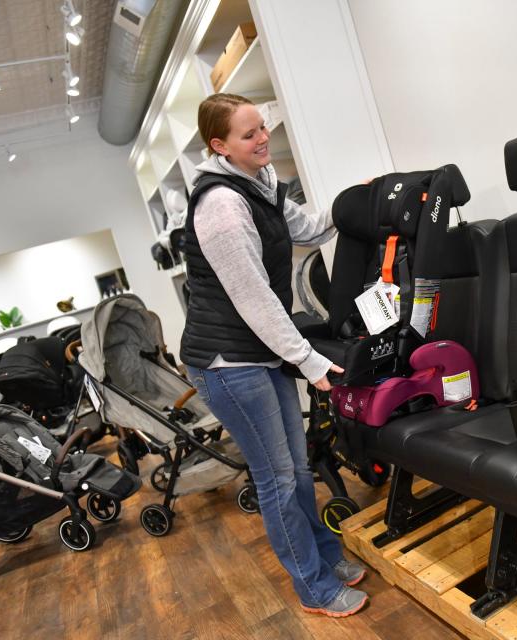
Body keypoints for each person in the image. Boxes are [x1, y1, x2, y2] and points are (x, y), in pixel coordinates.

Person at [181, 93, 368, 618]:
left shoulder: (259, 185)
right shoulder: (221, 205)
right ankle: (314, 587)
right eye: (248, 134)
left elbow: (311, 228)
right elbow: (255, 299)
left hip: (259, 354)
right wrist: (308, 360)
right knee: (278, 480)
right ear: (219, 146)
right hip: (227, 363)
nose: (263, 138)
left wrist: (363, 197)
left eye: (262, 128)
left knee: (299, 472)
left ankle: (327, 561)